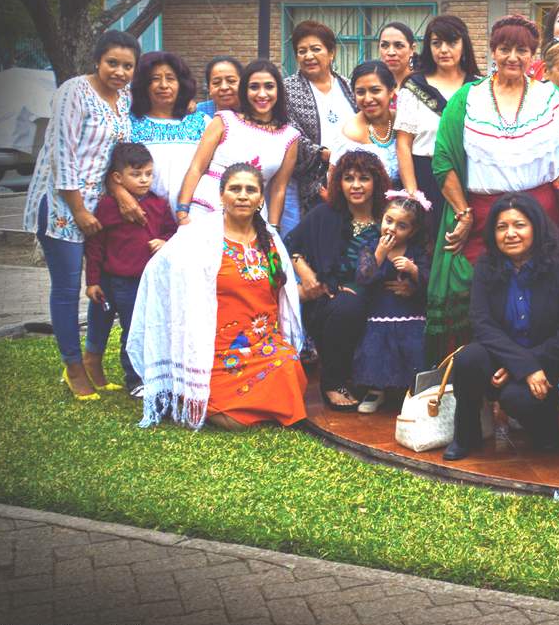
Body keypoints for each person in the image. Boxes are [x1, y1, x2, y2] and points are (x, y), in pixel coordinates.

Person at [426, 14, 559, 343]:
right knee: (476, 287)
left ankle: (539, 369)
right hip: (483, 215)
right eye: (504, 49)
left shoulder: (552, 98)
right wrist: (462, 212)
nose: (512, 57)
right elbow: (444, 161)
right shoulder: (466, 100)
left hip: (542, 214)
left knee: (542, 289)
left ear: (533, 56)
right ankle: (479, 369)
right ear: (492, 51)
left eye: (522, 50)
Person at [131, 163, 307, 430]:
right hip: (214, 347)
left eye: (251, 190)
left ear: (261, 198)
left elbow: (282, 293)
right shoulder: (199, 236)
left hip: (263, 344)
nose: (242, 195)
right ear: (221, 195)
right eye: (234, 189)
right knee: (231, 421)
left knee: (288, 365)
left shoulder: (269, 240)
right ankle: (231, 404)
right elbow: (159, 272)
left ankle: (252, 405)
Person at [23, 29, 139, 400]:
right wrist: (77, 210)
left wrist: (118, 192)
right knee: (68, 287)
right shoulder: (74, 92)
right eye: (112, 63)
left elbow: (117, 155)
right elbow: (61, 154)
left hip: (101, 208)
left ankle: (93, 359)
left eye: (127, 66)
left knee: (102, 285)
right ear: (97, 60)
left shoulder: (124, 99)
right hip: (62, 205)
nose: (119, 72)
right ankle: (72, 365)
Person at [443, 192, 559, 460]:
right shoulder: (487, 264)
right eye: (501, 227)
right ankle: (465, 434)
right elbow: (481, 323)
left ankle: (545, 425)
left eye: (519, 225)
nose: (510, 234)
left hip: (547, 360)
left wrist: (526, 365)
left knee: (521, 404)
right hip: (502, 356)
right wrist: (520, 364)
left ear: (536, 227)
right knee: (468, 358)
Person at [284, 150, 387, 411]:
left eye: (364, 178)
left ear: (375, 182)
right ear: (338, 182)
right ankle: (333, 382)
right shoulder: (325, 215)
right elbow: (291, 244)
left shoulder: (387, 219)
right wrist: (307, 275)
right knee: (345, 306)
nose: (355, 185)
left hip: (377, 294)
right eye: (348, 178)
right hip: (328, 299)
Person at [83, 142, 178, 398]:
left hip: (144, 281)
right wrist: (92, 281)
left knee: (137, 329)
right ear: (117, 177)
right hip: (113, 279)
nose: (144, 180)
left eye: (148, 174)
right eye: (136, 175)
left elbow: (172, 231)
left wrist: (165, 241)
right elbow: (95, 245)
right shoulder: (108, 206)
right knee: (115, 326)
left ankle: (141, 375)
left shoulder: (159, 204)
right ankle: (129, 378)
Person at [177, 60, 299, 228]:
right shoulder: (224, 120)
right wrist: (182, 212)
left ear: (279, 91)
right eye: (254, 87)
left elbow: (279, 188)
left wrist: (274, 228)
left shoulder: (289, 137)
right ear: (244, 91)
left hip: (252, 217)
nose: (262, 94)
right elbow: (196, 167)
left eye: (269, 86)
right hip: (206, 210)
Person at [396, 15, 482, 237]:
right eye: (436, 43)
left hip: (468, 176)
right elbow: (404, 144)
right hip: (426, 174)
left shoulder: (478, 87)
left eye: (451, 42)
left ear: (464, 46)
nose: (444, 50)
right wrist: (412, 192)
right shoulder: (414, 87)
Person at [353, 191, 431, 413]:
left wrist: (413, 271)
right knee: (376, 348)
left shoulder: (416, 251)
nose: (392, 228)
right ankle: (376, 389)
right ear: (381, 218)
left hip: (410, 311)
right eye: (389, 221)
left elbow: (428, 279)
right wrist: (380, 253)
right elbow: (363, 277)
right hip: (379, 311)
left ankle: (414, 391)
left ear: (412, 230)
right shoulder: (370, 246)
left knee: (413, 345)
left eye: (402, 225)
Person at [283, 20, 356, 231]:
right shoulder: (288, 89)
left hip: (353, 177)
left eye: (316, 49)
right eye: (301, 51)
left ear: (331, 52)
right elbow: (290, 131)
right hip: (313, 181)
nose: (308, 56)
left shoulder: (349, 85)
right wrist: (323, 154)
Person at [126, 51, 210, 202]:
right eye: (155, 79)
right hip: (145, 215)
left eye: (170, 79)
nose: (163, 85)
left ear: (181, 84)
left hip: (194, 215)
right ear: (143, 85)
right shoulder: (128, 124)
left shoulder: (202, 122)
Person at [328, 60, 401, 185]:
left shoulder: (402, 122)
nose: (368, 99)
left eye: (375, 90)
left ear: (391, 91)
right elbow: (333, 183)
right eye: (361, 92)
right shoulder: (350, 134)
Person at [378, 21, 416, 92]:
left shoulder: (424, 84)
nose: (391, 52)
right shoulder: (372, 84)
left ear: (412, 49)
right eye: (384, 46)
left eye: (399, 46)